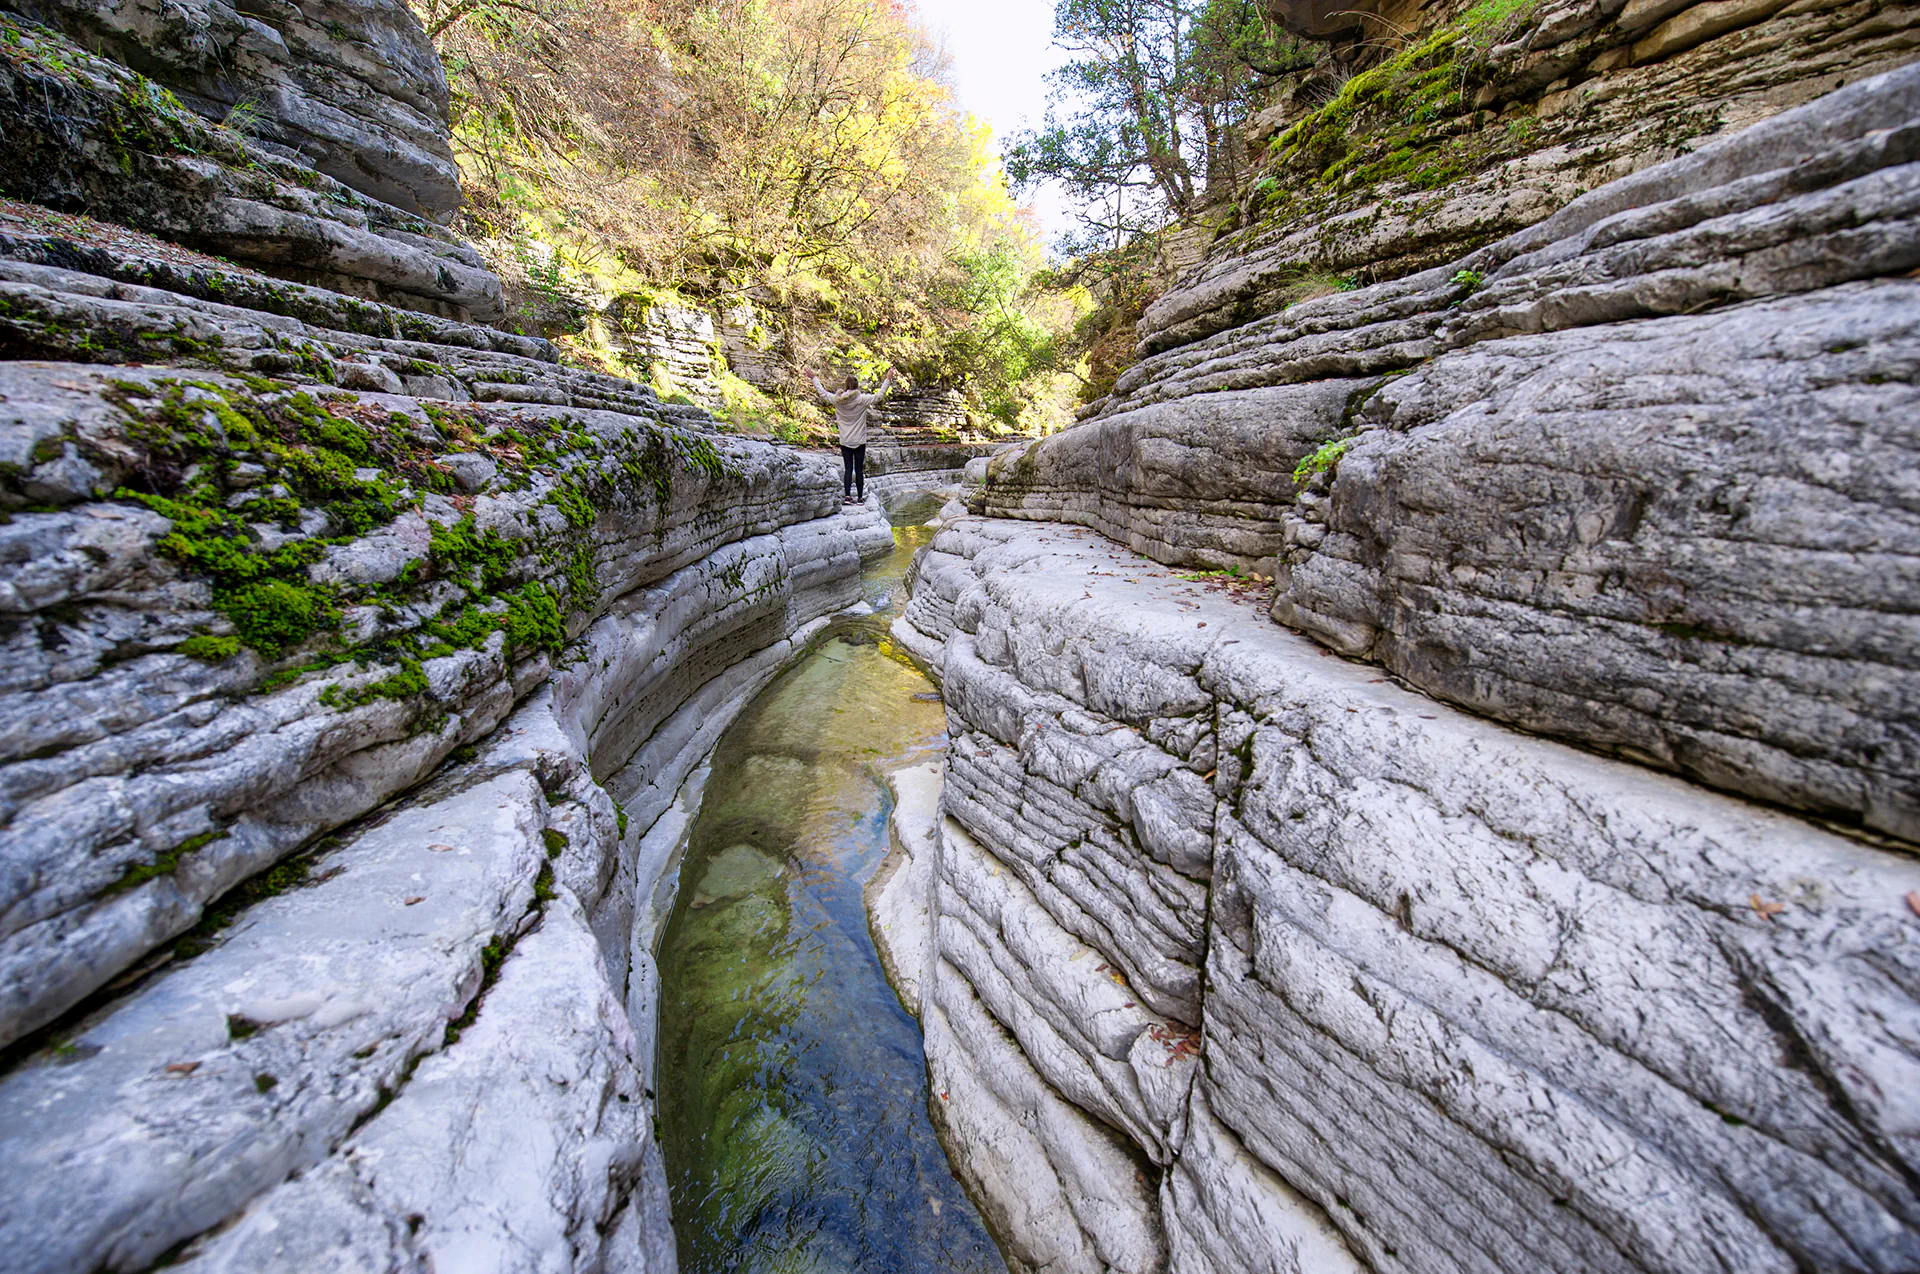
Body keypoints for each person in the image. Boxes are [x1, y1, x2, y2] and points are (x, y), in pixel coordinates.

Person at [811, 367, 895, 504]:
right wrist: (888, 378)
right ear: (857, 386)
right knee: (859, 470)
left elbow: (823, 394)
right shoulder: (862, 399)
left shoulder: (837, 400)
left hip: (845, 440)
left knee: (848, 469)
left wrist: (813, 378)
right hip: (859, 440)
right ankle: (860, 498)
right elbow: (879, 396)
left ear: (845, 385)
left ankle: (848, 497)